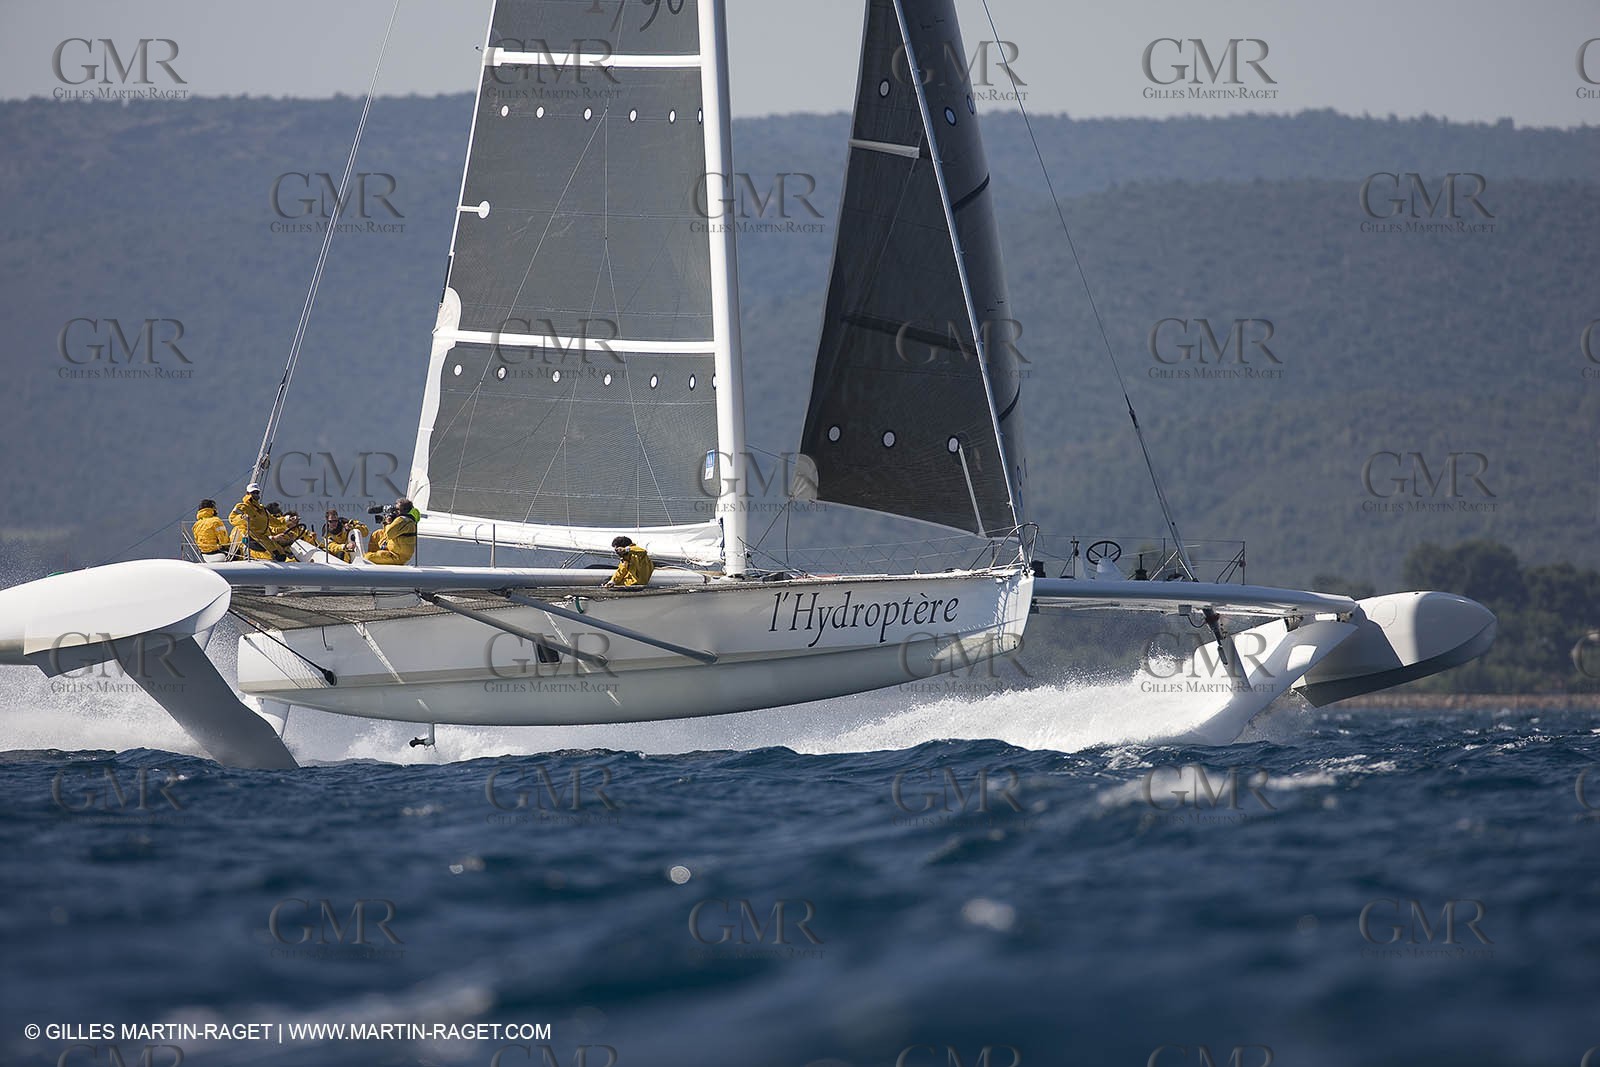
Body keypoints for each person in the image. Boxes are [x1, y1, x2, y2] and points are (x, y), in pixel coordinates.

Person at [365, 497, 419, 566]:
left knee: (367, 557)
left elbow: (389, 533)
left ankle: (373, 557)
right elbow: (387, 533)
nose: (395, 511)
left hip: (397, 556)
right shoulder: (406, 519)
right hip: (394, 550)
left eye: (397, 509)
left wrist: (388, 522)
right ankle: (375, 555)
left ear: (402, 510)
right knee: (377, 534)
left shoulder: (403, 520)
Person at [228, 483, 276, 561]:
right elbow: (232, 518)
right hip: (250, 536)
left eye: (257, 492)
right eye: (253, 492)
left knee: (280, 555)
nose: (255, 494)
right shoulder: (241, 506)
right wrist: (242, 518)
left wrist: (286, 520)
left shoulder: (262, 509)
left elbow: (273, 521)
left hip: (263, 537)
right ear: (248, 493)